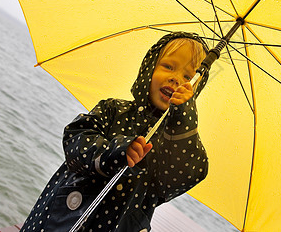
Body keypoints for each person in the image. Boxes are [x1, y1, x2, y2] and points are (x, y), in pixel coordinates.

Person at [20, 32, 210, 232]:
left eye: (188, 77)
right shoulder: (114, 110)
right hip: (63, 216)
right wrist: (118, 151)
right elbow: (75, 139)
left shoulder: (177, 142)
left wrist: (183, 119)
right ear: (150, 67)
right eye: (168, 67)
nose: (176, 79)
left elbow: (184, 176)